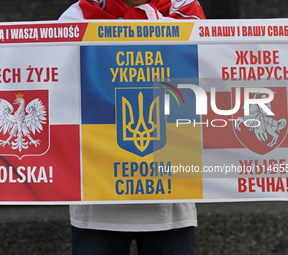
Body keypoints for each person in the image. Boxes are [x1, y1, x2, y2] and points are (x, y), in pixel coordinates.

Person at [59, 1, 205, 254]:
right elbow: (61, 89)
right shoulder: (78, 15)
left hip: (172, 199)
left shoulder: (185, 11)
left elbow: (206, 77)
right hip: (97, 203)